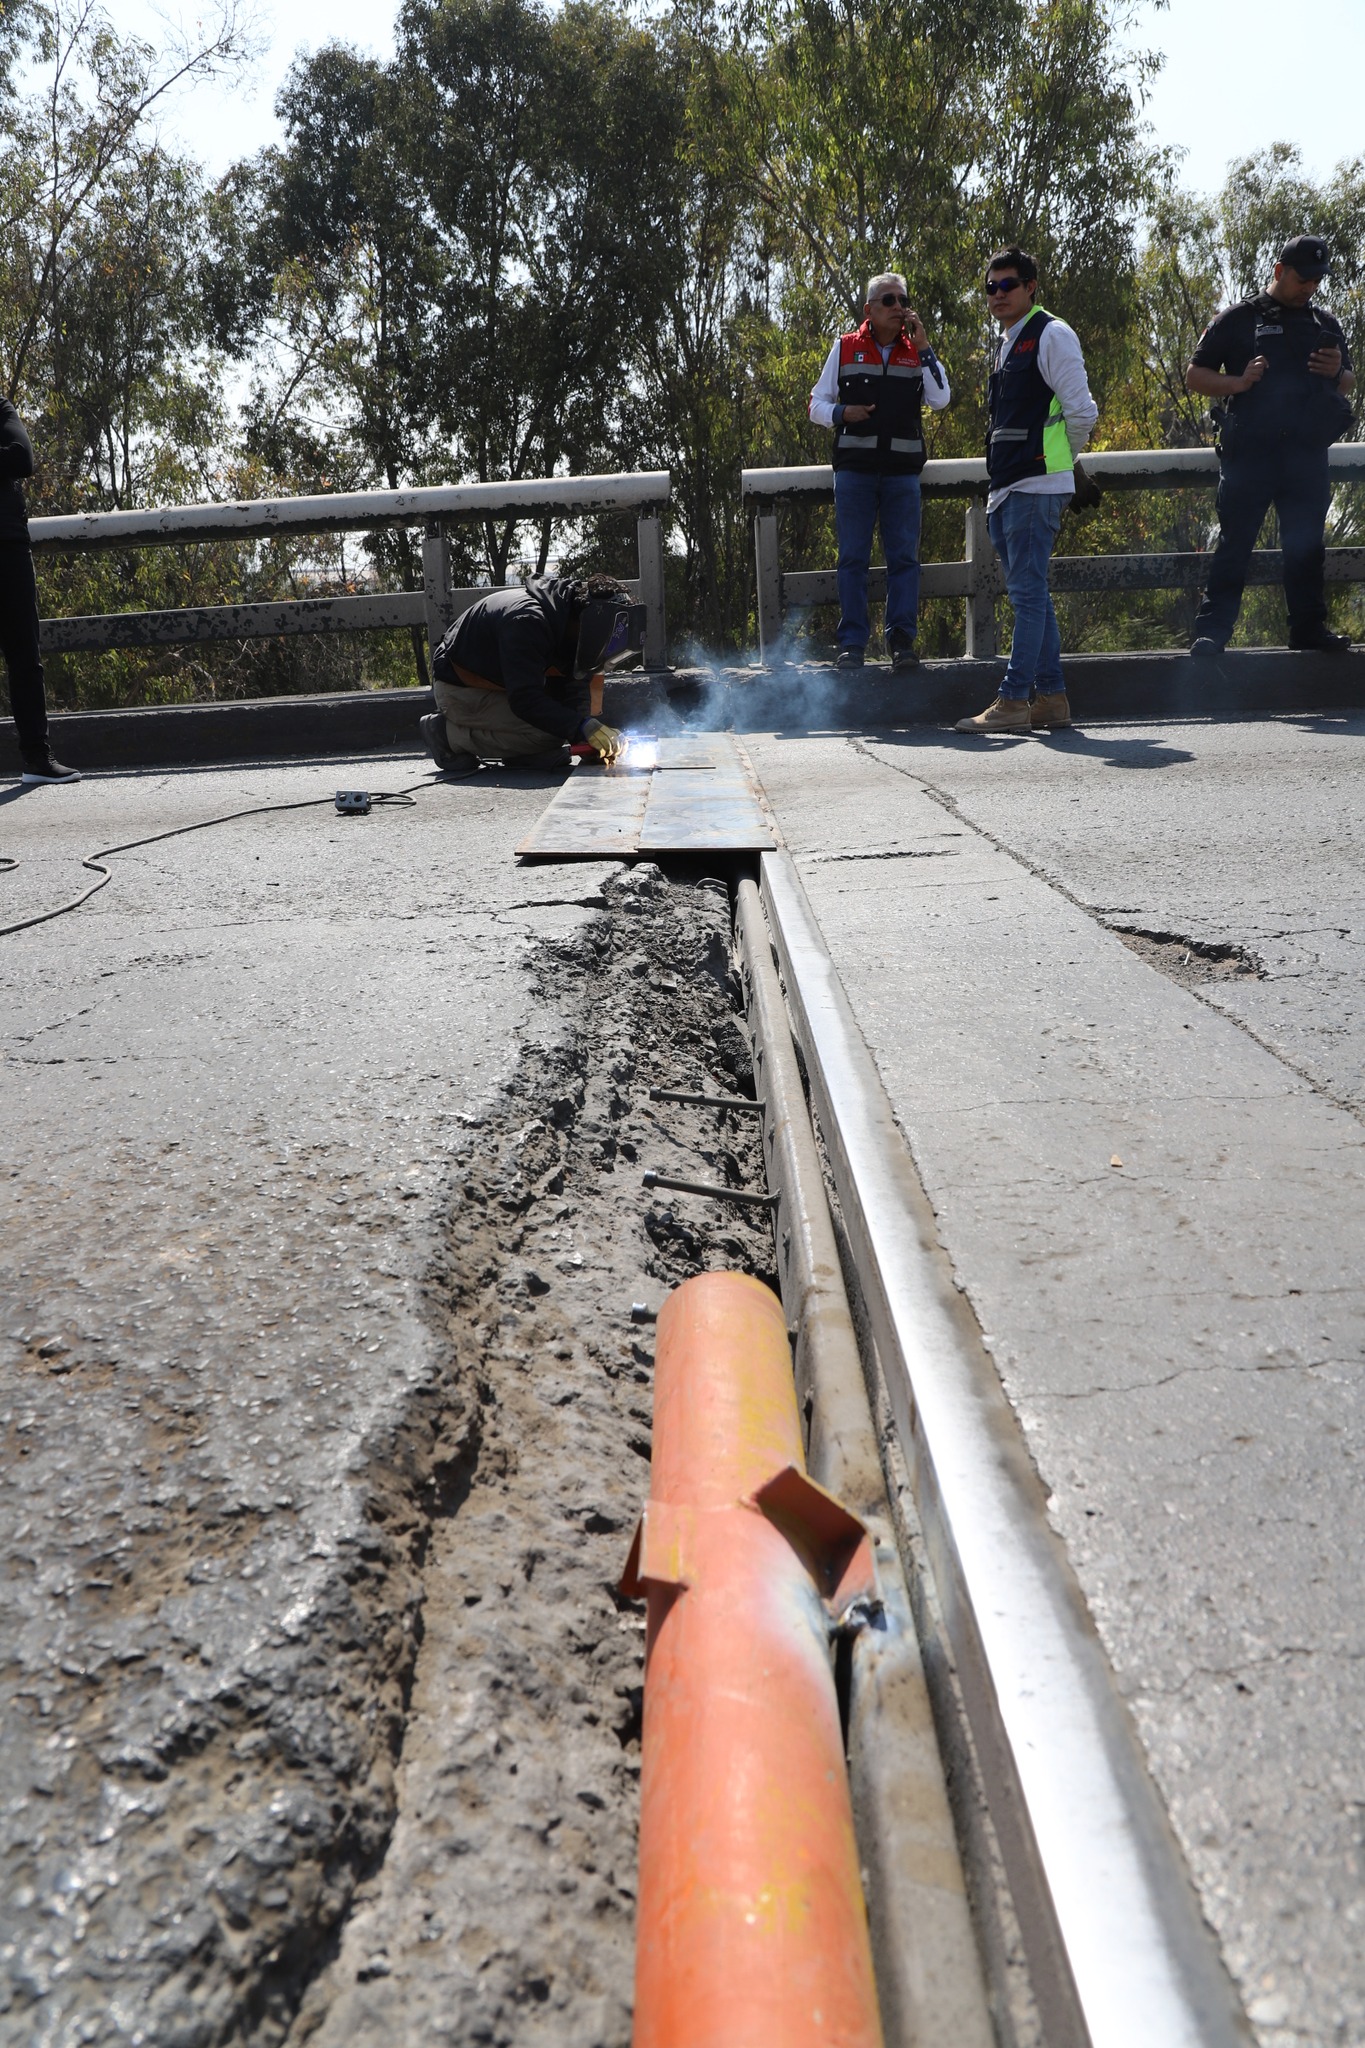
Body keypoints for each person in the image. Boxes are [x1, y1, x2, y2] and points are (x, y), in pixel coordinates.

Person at [1185, 234, 1355, 658]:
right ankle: (1212, 633)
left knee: (1306, 546)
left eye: (1317, 280)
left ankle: (1308, 629)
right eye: (1303, 278)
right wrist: (1238, 383)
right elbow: (1194, 375)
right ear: (1279, 271)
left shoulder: (1325, 324)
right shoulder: (1239, 318)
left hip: (1305, 454)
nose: (1310, 287)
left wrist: (1337, 372)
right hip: (1251, 455)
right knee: (1235, 545)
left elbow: (1349, 381)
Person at [956, 247, 1099, 735]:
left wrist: (1061, 463)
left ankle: (1015, 699)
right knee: (1032, 595)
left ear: (1031, 286)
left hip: (1037, 486)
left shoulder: (1051, 334)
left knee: (1028, 595)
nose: (998, 294)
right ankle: (1052, 697)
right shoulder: (1006, 342)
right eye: (990, 287)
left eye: (1008, 285)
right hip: (1008, 487)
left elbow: (1082, 413)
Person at [809, 270, 952, 672]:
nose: (898, 307)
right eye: (888, 300)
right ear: (869, 309)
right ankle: (852, 644)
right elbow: (815, 405)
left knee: (904, 559)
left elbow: (940, 399)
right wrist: (842, 412)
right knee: (852, 558)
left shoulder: (915, 352)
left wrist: (924, 349)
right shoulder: (845, 347)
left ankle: (902, 643)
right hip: (854, 472)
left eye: (902, 300)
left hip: (902, 474)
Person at [421, 572, 646, 773]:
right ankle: (447, 734)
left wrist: (583, 736)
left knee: (564, 720)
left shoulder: (567, 616)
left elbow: (576, 683)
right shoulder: (527, 621)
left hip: (504, 683)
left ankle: (524, 750)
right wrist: (578, 728)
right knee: (547, 735)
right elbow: (525, 699)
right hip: (460, 688)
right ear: (590, 621)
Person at [1, 397, 79, 783]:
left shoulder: (0, 407)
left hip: (9, 548)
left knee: (25, 657)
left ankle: (37, 758)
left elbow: (21, 458)